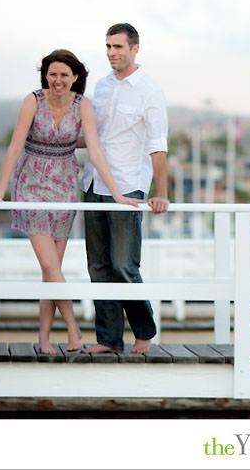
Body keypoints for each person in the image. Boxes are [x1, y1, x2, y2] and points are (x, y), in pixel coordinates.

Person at [0, 49, 142, 355]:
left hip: (64, 186)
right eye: (53, 74)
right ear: (45, 76)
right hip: (32, 184)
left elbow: (95, 151)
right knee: (50, 265)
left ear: (75, 77)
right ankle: (74, 331)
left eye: (64, 75)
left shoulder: (83, 105)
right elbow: (14, 148)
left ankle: (44, 339)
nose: (58, 80)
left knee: (52, 272)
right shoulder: (33, 101)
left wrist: (117, 194)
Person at [80, 22, 170, 355]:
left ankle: (144, 332)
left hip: (128, 188)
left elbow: (158, 145)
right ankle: (108, 340)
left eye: (118, 47)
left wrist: (160, 192)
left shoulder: (149, 90)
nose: (112, 53)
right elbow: (92, 136)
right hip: (93, 183)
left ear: (135, 48)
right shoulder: (101, 87)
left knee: (123, 265)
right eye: (108, 47)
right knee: (98, 266)